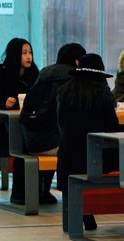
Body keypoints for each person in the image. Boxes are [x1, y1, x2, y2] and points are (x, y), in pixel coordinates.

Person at [56, 53, 119, 231]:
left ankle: (82, 217)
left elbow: (60, 123)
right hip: (99, 158)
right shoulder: (102, 93)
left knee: (74, 168)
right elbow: (113, 127)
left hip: (69, 157)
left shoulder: (65, 91)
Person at [17, 42, 86, 205]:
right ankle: (82, 198)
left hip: (31, 140)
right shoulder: (72, 80)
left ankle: (44, 191)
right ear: (77, 61)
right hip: (50, 142)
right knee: (86, 148)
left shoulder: (44, 75)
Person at [0, 37, 38, 110]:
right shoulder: (0, 77)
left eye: (30, 52)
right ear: (15, 55)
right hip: (7, 119)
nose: (29, 57)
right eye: (24, 53)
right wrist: (5, 105)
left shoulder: (34, 74)